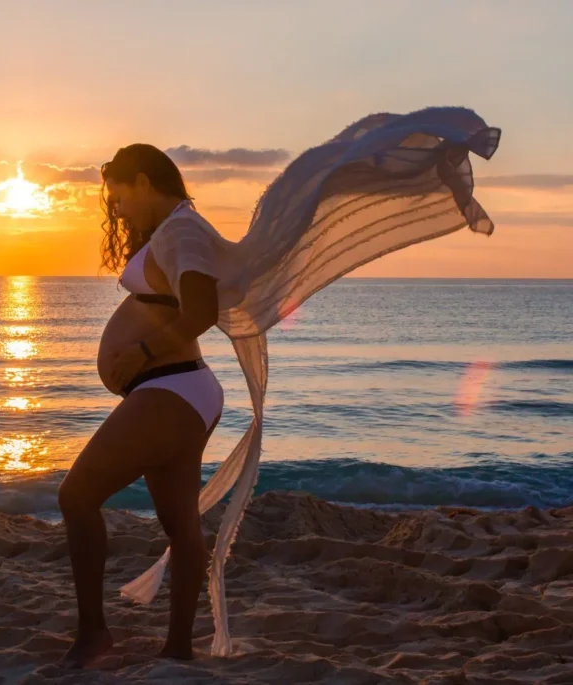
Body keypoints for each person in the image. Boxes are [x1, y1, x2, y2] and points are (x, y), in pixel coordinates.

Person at [58, 107, 501, 667]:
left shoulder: (181, 233)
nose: (116, 209)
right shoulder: (178, 230)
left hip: (170, 388)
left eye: (119, 196)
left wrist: (140, 352)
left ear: (144, 182)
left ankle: (95, 635)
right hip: (180, 389)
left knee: (75, 497)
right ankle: (176, 649)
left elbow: (196, 313)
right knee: (180, 524)